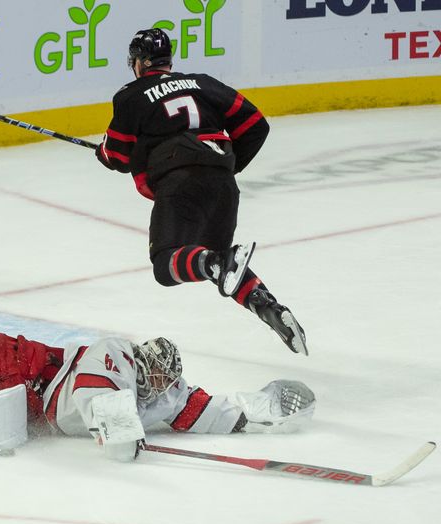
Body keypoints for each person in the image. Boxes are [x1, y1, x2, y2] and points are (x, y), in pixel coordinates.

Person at [94, 28, 307, 356]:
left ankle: (215, 264)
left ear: (139, 62)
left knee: (167, 265)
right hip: (222, 184)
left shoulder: (131, 95)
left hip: (180, 182)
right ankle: (270, 308)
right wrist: (224, 167)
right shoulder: (202, 83)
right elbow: (255, 125)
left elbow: (118, 157)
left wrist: (103, 152)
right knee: (218, 263)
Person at [0, 330, 316, 463]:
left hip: (39, 411)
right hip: (38, 372)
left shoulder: (169, 395)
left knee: (5, 421)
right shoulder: (115, 353)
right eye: (153, 370)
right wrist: (121, 429)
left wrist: (260, 412)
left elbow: (210, 410)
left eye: (165, 377)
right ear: (142, 360)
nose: (158, 381)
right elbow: (94, 393)